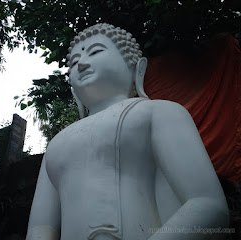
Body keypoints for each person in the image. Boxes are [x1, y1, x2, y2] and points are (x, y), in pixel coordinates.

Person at [26, 23, 229, 240]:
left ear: (137, 68)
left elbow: (208, 205)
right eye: (74, 63)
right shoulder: (56, 144)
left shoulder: (159, 112)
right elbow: (40, 228)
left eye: (96, 52)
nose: (82, 64)